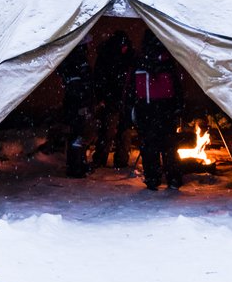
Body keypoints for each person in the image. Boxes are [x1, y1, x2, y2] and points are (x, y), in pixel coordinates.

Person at [133, 29, 183, 191]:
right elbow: (177, 86)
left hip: (148, 109)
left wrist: (132, 108)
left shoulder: (140, 62)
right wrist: (178, 107)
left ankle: (154, 178)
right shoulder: (168, 61)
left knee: (151, 147)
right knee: (167, 146)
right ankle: (172, 178)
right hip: (163, 109)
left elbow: (130, 87)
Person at [91, 30, 136, 168]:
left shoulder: (125, 57)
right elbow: (99, 78)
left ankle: (118, 160)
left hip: (122, 99)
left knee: (121, 131)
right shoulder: (110, 56)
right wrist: (103, 97)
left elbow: (99, 77)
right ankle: (103, 159)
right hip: (114, 99)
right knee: (109, 130)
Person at [57, 37, 95, 178]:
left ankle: (78, 164)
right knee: (77, 135)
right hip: (77, 104)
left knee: (77, 135)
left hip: (74, 103)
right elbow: (82, 85)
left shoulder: (70, 60)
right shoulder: (78, 60)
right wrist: (84, 103)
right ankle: (76, 167)